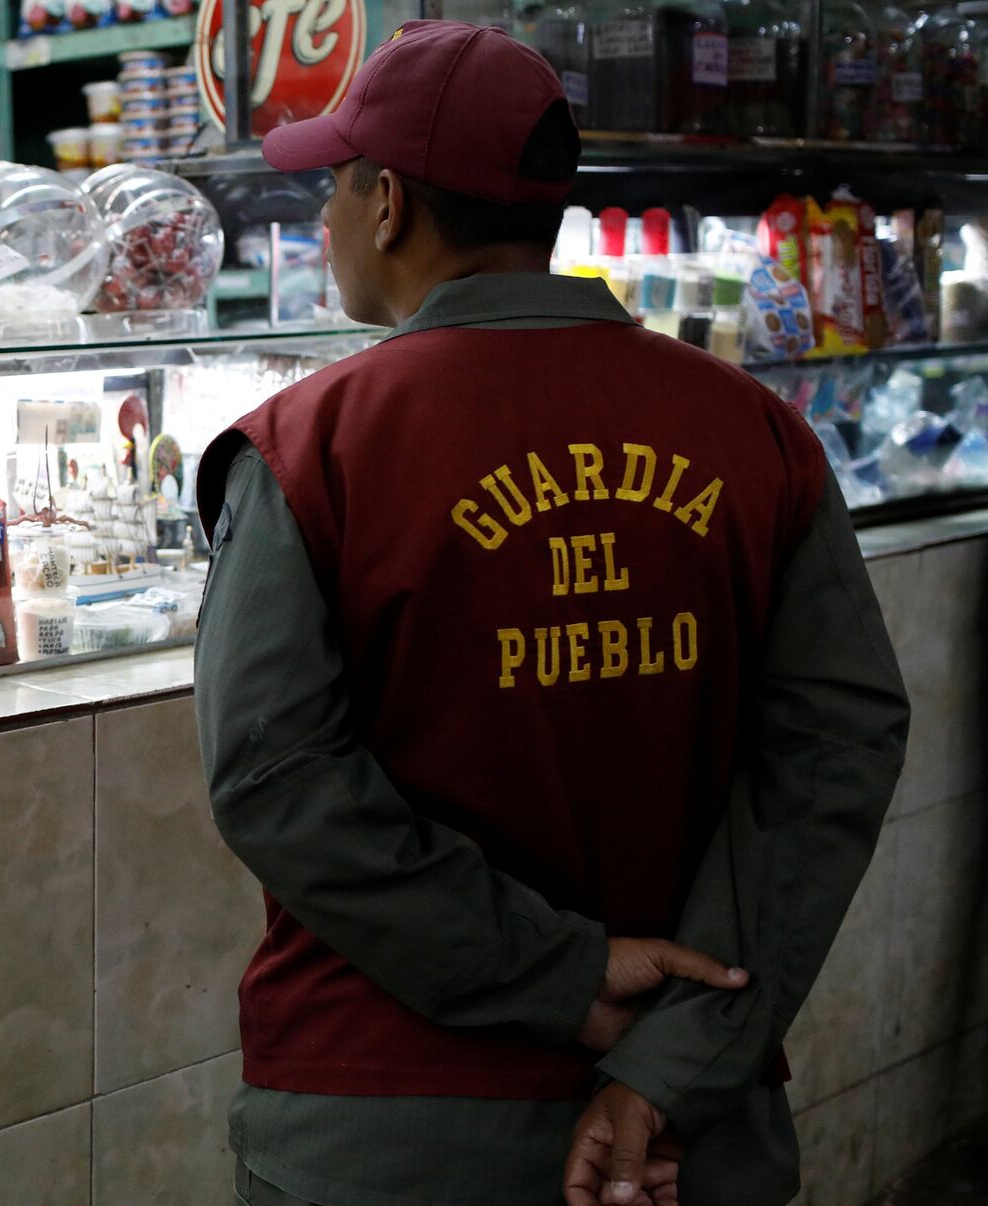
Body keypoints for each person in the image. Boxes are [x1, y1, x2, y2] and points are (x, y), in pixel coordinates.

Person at [193, 20, 910, 1206]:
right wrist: (675, 1060)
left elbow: (275, 779)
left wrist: (560, 977)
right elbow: (837, 749)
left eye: (336, 183)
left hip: (386, 1126)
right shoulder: (757, 431)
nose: (325, 219)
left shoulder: (308, 447)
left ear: (387, 206)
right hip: (692, 1129)